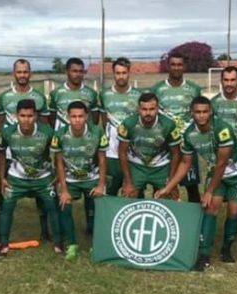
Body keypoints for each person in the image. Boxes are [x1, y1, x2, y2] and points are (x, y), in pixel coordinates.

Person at [155, 97, 237, 269]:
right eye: (198, 112)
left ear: (211, 112)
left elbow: (222, 163)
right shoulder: (189, 134)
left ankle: (226, 248)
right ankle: (204, 255)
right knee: (210, 207)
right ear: (191, 113)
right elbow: (185, 163)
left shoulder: (222, 129)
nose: (201, 115)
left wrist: (208, 190)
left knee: (234, 210)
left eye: (205, 112)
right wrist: (168, 187)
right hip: (217, 173)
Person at [0, 59, 52, 244]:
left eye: (25, 72)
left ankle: (45, 230)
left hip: (34, 151)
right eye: (19, 72)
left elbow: (44, 126)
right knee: (5, 192)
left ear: (30, 73)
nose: (22, 75)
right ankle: (0, 233)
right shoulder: (4, 97)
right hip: (12, 150)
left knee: (41, 193)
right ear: (14, 73)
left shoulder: (39, 97)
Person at [0, 99, 60, 257]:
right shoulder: (7, 132)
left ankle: (59, 243)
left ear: (36, 116)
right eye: (22, 116)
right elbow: (1, 153)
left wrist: (58, 174)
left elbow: (58, 153)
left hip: (43, 178)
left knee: (53, 206)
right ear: (16, 116)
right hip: (16, 178)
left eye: (30, 116)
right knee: (6, 206)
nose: (26, 120)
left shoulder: (47, 132)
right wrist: (2, 177)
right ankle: (3, 244)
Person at [48, 57, 101, 238]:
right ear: (67, 72)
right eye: (74, 71)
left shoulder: (91, 94)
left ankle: (91, 226)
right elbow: (51, 119)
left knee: (90, 182)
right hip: (65, 145)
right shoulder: (56, 94)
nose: (77, 74)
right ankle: (62, 229)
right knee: (61, 182)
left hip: (86, 145)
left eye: (80, 71)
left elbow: (95, 119)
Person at [52, 101, 107, 260]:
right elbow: (59, 163)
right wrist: (64, 190)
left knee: (99, 205)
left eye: (80, 116)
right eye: (73, 116)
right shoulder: (60, 134)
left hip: (92, 178)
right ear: (68, 117)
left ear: (86, 116)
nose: (77, 120)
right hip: (70, 179)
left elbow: (102, 160)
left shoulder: (97, 132)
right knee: (64, 204)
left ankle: (97, 243)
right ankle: (72, 244)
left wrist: (101, 185)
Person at [150, 52, 202, 202]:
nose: (176, 68)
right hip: (164, 146)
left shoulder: (194, 89)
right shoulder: (157, 89)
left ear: (184, 66)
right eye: (173, 64)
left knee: (192, 188)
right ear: (168, 66)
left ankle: (195, 216)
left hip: (187, 144)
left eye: (179, 64)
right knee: (161, 187)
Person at [118, 93, 182, 198]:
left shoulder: (168, 125)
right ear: (138, 109)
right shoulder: (128, 123)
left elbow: (176, 153)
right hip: (136, 165)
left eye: (152, 109)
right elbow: (122, 152)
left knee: (169, 197)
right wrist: (128, 182)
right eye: (144, 109)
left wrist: (171, 182)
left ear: (157, 109)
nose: (148, 113)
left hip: (161, 166)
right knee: (129, 196)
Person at [99, 57, 143, 196]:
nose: (121, 76)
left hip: (133, 151)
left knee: (135, 192)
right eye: (118, 73)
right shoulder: (104, 95)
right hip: (112, 151)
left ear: (129, 73)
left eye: (124, 73)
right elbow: (104, 120)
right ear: (113, 74)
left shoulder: (138, 95)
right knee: (110, 190)